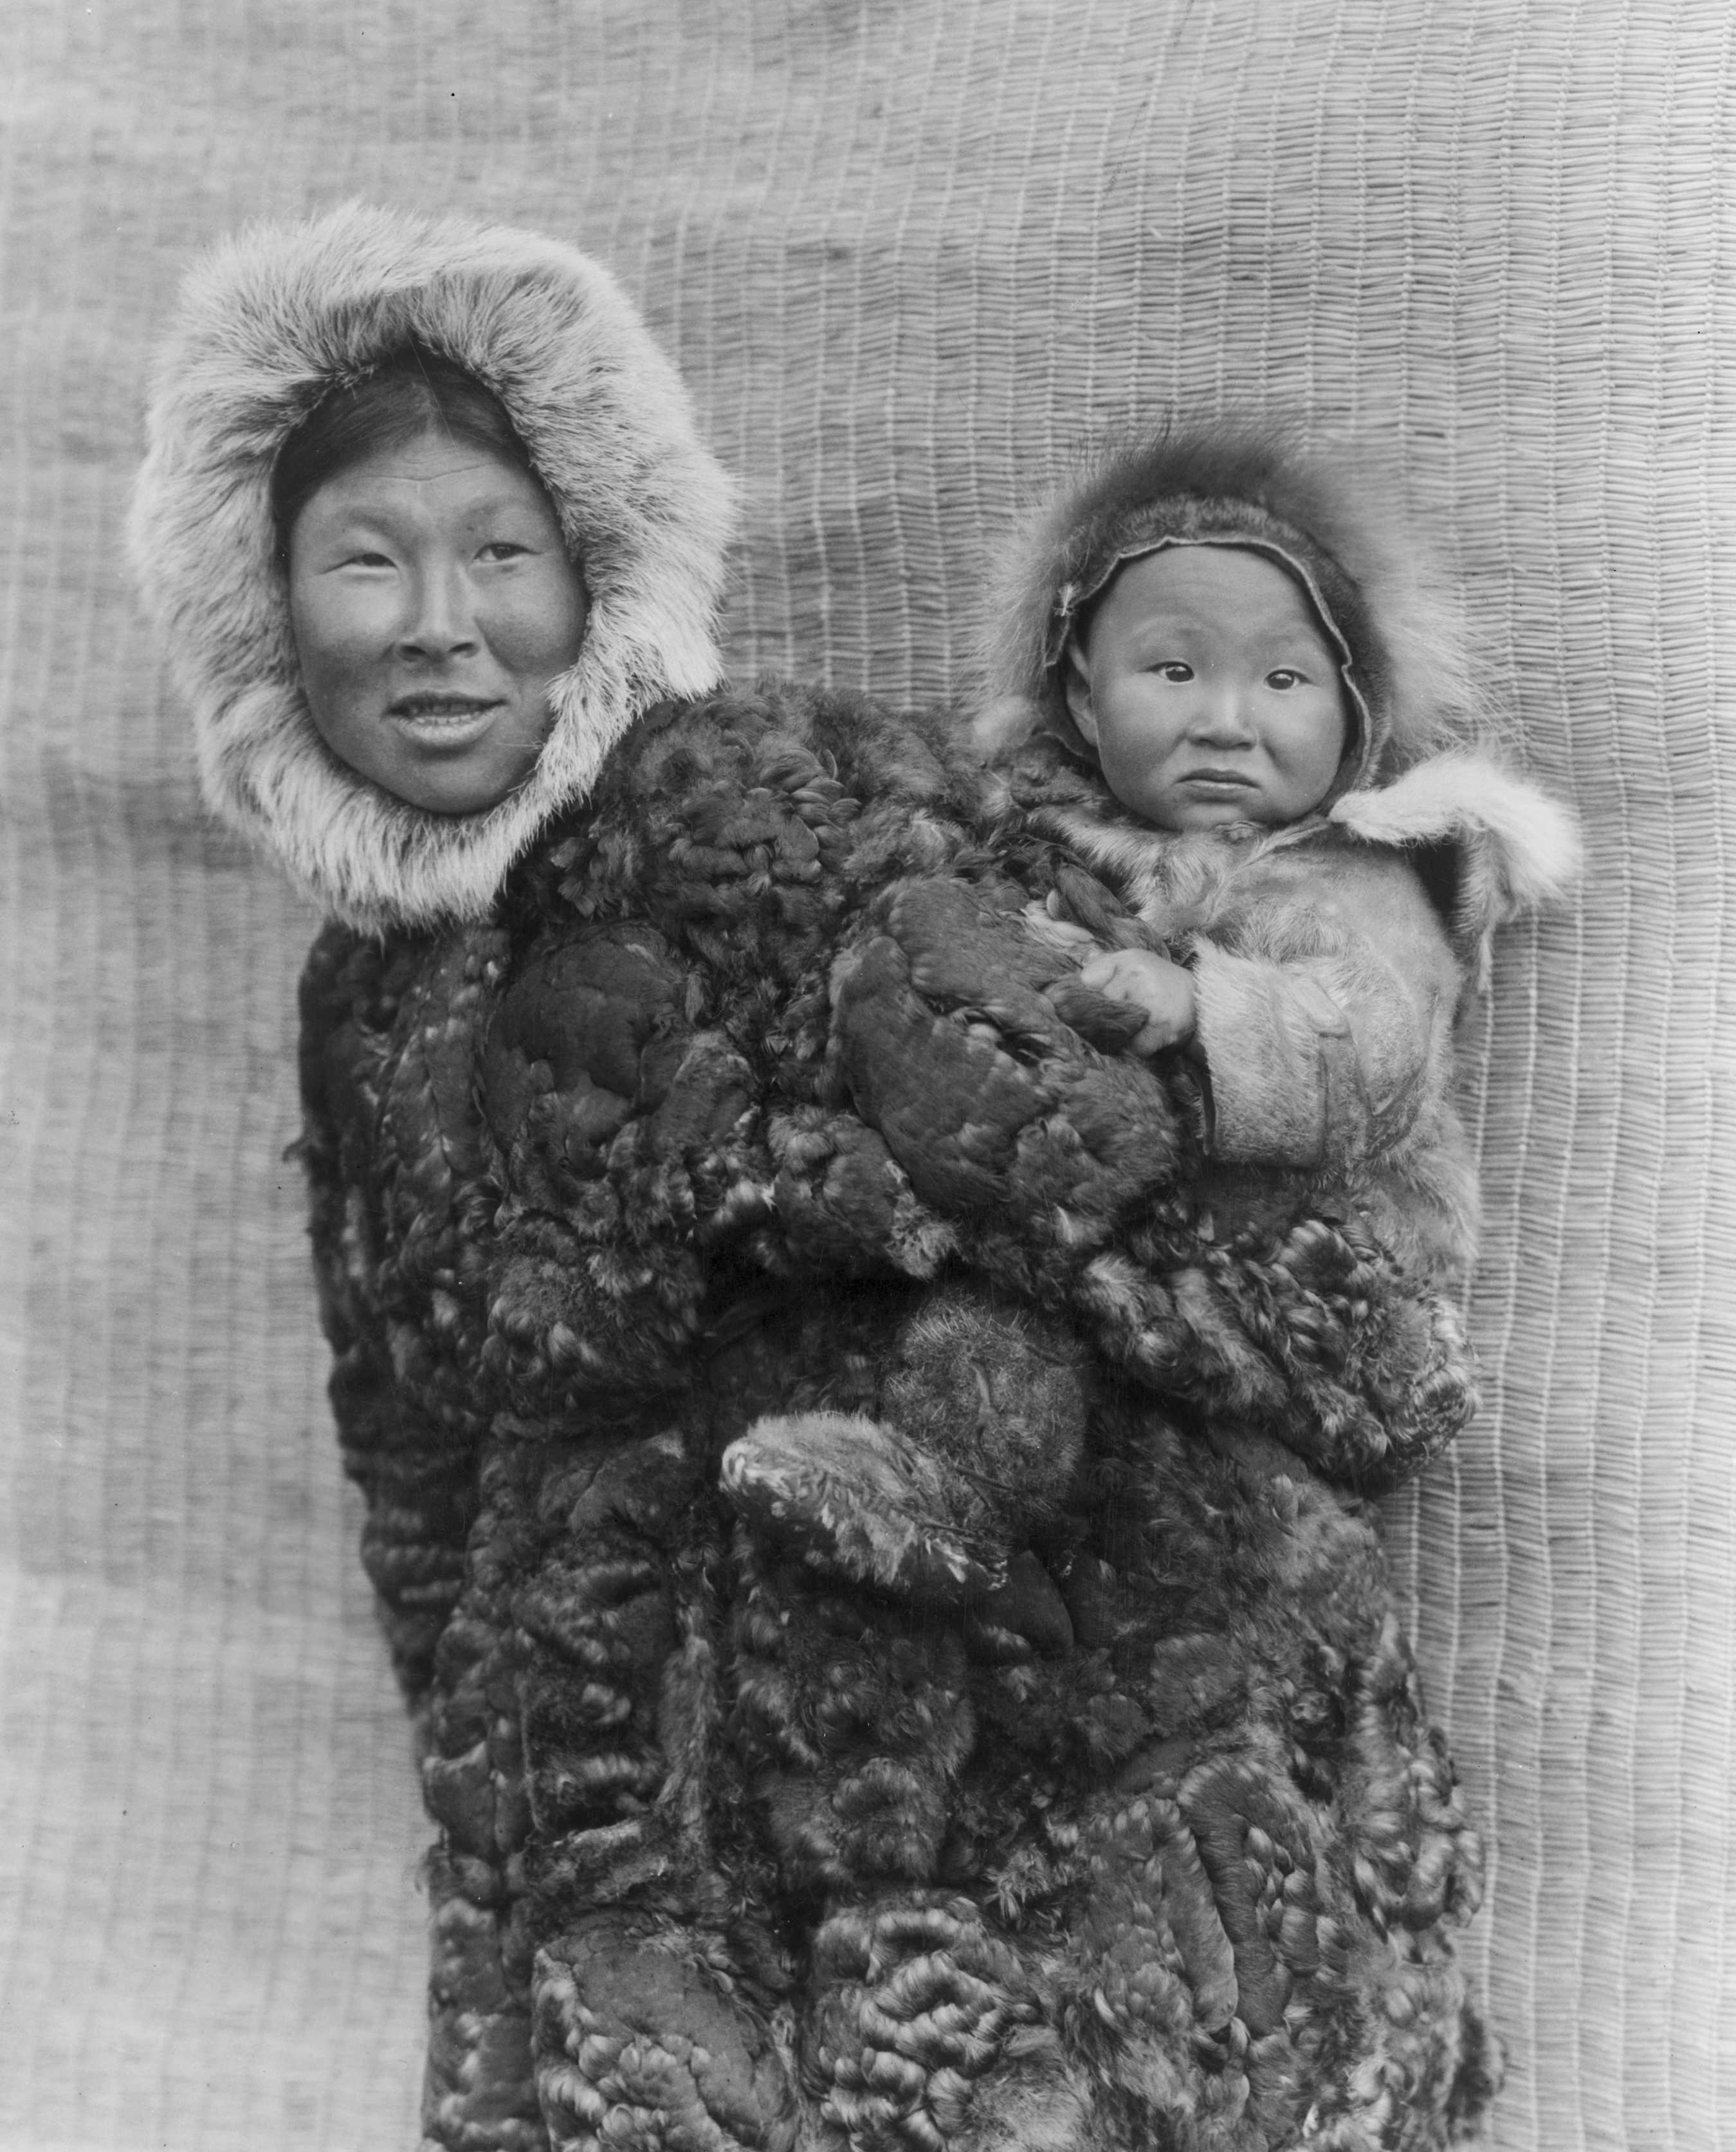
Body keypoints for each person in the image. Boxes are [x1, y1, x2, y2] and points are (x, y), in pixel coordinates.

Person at [130, 208, 1565, 2151]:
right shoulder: (361, 1005)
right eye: (362, 560)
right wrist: (491, 1803)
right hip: (606, 1815)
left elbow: (1191, 1209)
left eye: (500, 553)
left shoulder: (764, 804)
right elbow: (412, 1454)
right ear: (264, 608)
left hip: (1037, 1717)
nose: (436, 624)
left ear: (596, 572)